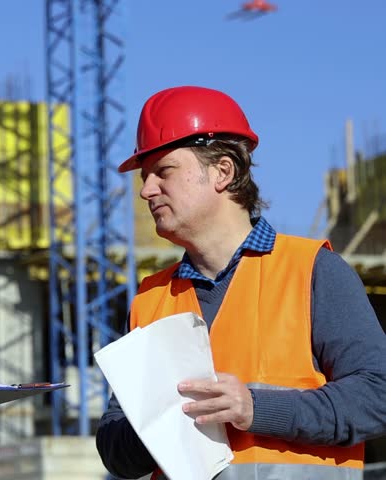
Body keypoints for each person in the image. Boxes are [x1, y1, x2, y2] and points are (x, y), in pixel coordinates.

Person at [96, 85, 386, 479]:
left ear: (223, 171)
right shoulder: (150, 299)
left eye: (163, 171)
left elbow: (378, 396)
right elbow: (116, 452)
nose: (147, 191)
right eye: (145, 177)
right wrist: (155, 421)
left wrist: (254, 409)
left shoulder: (313, 269)